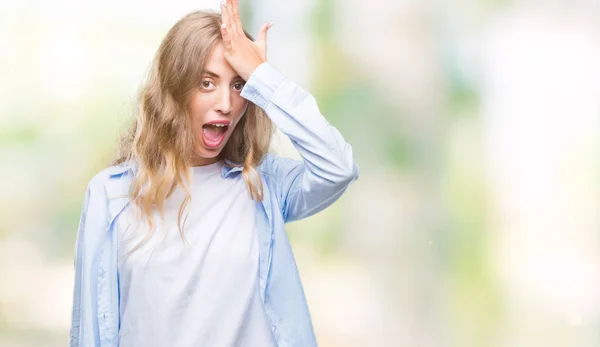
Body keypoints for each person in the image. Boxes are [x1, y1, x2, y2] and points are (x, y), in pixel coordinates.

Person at [70, 1, 358, 346]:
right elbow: (90, 332)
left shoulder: (264, 183)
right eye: (207, 83)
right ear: (175, 89)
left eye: (239, 85)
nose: (226, 103)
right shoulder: (111, 194)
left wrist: (263, 76)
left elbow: (337, 167)